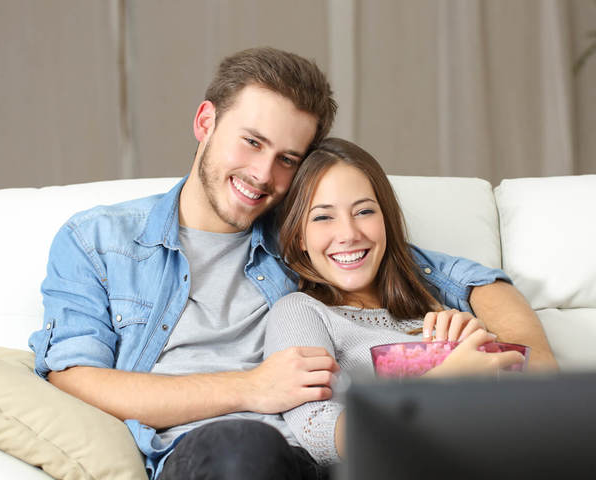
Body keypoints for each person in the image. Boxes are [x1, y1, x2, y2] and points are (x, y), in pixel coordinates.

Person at [28, 48, 555, 480]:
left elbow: (466, 279)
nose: (263, 174)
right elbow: (73, 378)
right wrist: (250, 387)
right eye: (251, 142)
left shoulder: (302, 235)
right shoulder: (100, 240)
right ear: (205, 122)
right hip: (215, 455)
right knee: (247, 450)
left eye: (287, 159)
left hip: (327, 454)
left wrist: (536, 369)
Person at [263, 137, 530, 465]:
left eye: (364, 211)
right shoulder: (299, 311)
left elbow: (526, 411)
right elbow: (319, 435)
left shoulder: (435, 307)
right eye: (323, 217)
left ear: (386, 221)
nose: (349, 233)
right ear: (299, 236)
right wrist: (442, 382)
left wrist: (481, 347)